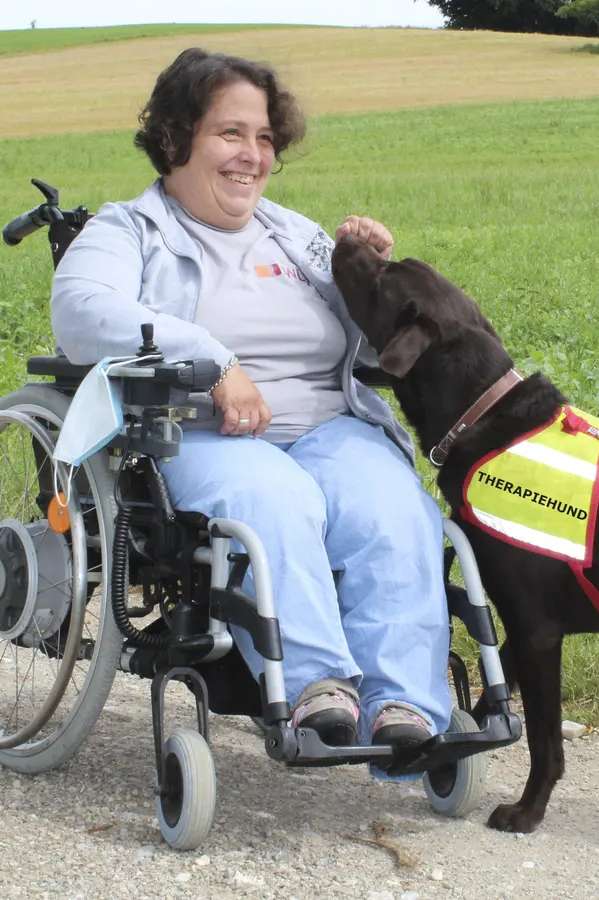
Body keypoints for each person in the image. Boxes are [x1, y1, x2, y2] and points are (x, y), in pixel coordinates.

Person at [50, 47, 452, 759]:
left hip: (329, 425)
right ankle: (315, 689)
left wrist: (370, 273)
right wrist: (214, 360)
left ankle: (403, 706)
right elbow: (83, 312)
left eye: (264, 138)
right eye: (230, 134)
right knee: (275, 502)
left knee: (394, 510)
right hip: (202, 432)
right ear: (176, 138)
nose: (252, 155)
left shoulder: (295, 236)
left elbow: (370, 343)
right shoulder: (129, 231)